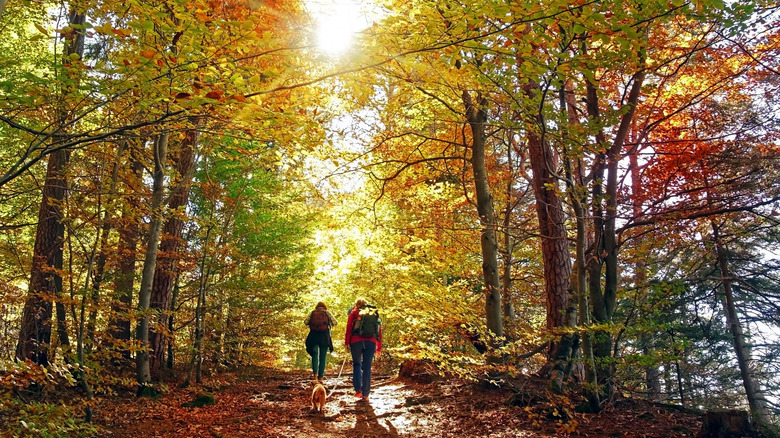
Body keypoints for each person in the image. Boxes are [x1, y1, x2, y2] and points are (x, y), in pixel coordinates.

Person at [345, 298, 382, 401]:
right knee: (367, 367)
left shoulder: (354, 312)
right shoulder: (373, 313)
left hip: (356, 341)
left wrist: (347, 342)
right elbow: (379, 329)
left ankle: (358, 391)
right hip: (371, 342)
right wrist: (378, 347)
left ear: (356, 304)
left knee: (357, 364)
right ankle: (365, 395)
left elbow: (349, 327)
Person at [304, 301, 337, 382]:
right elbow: (335, 323)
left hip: (314, 336)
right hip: (324, 336)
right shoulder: (327, 312)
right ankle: (321, 377)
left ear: (317, 307)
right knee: (323, 357)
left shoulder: (312, 312)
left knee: (315, 355)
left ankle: (315, 375)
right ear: (324, 307)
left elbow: (305, 322)